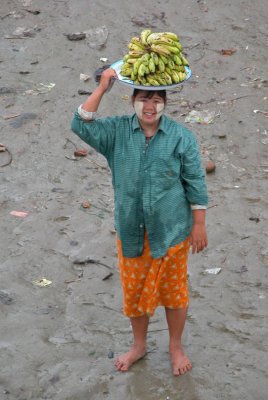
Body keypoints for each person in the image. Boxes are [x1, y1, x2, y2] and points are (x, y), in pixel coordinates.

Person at [71, 68, 208, 376]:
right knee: (134, 295)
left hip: (172, 232)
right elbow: (80, 123)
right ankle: (139, 345)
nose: (150, 107)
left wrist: (199, 224)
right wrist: (102, 89)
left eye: (157, 100)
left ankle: (175, 346)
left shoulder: (181, 137)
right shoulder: (116, 132)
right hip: (131, 231)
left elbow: (195, 181)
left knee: (175, 294)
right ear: (132, 100)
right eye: (144, 99)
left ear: (166, 104)